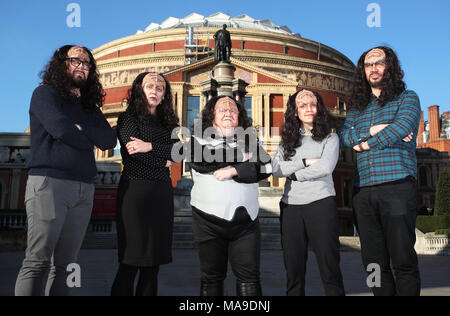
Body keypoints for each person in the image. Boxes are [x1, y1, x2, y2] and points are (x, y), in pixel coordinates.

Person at [15, 45, 117, 296]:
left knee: (65, 264)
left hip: (84, 188)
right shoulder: (44, 94)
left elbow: (108, 141)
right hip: (50, 183)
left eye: (87, 63)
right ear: (61, 64)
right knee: (37, 261)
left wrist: (80, 129)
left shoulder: (89, 107)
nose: (82, 66)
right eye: (76, 61)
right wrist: (83, 134)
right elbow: (61, 129)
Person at [338, 46, 421, 296]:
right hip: (363, 191)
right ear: (362, 71)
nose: (373, 68)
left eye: (379, 63)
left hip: (397, 185)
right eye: (368, 64)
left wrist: (364, 143)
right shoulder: (356, 109)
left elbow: (402, 127)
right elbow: (344, 137)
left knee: (403, 259)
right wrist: (376, 130)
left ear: (390, 67)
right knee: (373, 262)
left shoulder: (407, 98)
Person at [185, 95, 271, 296]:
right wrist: (240, 158)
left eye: (233, 109)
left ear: (240, 117)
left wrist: (234, 171)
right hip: (207, 222)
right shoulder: (198, 137)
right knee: (211, 278)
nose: (228, 112)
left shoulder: (250, 140)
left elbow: (265, 167)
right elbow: (199, 160)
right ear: (212, 116)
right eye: (222, 109)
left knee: (249, 277)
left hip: (246, 223)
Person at [111, 72, 179, 296]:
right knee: (130, 262)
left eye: (160, 88)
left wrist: (149, 146)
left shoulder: (169, 123)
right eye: (150, 85)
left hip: (161, 194)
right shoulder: (128, 118)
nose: (155, 90)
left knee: (153, 265)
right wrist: (164, 159)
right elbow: (133, 154)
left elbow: (179, 153)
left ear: (164, 95)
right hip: (135, 194)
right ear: (140, 89)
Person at [272, 89, 345, 296]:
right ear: (295, 111)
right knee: (293, 271)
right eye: (302, 105)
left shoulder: (330, 138)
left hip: (321, 204)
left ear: (319, 108)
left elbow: (324, 168)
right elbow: (276, 169)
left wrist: (295, 174)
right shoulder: (286, 141)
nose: (308, 109)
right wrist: (304, 162)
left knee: (329, 267)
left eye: (312, 104)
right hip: (290, 207)